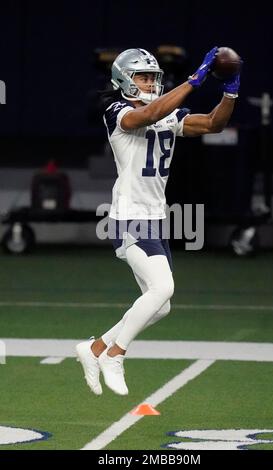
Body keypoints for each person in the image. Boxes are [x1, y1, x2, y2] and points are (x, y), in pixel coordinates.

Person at [76, 47, 241, 395]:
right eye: (143, 76)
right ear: (124, 78)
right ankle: (115, 354)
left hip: (155, 216)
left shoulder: (166, 112)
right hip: (128, 216)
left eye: (153, 77)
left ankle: (93, 349)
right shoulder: (115, 110)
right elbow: (148, 115)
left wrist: (230, 90)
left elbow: (213, 123)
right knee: (163, 288)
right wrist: (194, 81)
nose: (150, 82)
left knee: (161, 306)